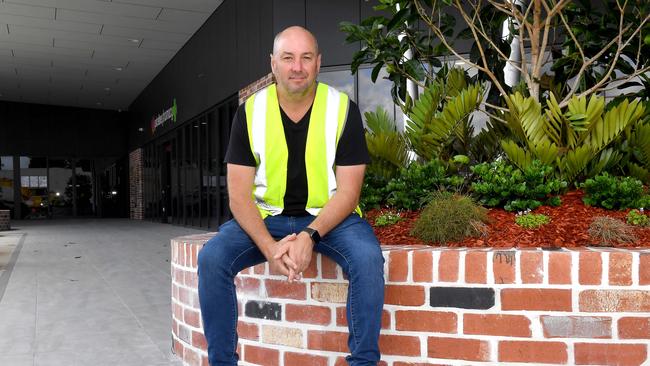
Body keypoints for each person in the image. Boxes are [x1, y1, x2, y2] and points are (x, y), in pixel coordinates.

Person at [197, 26, 385, 366]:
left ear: (318, 63)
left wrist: (311, 235)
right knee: (212, 259)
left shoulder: (343, 109)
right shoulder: (250, 112)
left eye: (305, 58)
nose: (296, 67)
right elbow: (239, 198)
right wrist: (269, 248)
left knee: (369, 260)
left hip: (331, 219)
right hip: (267, 217)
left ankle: (364, 362)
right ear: (273, 64)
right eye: (288, 58)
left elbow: (349, 191)